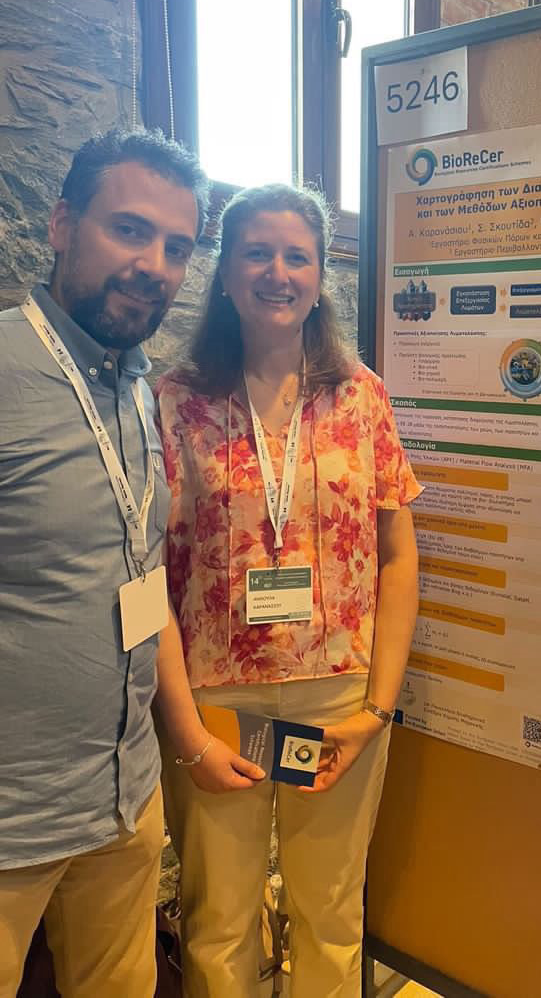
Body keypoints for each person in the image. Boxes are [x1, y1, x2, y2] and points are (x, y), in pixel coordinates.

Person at [0, 129, 261, 998]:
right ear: (62, 224)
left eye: (176, 247)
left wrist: (183, 742)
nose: (154, 264)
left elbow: (139, 585)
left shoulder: (136, 390)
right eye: (128, 230)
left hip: (122, 804)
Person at [155, 183, 421, 997]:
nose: (278, 272)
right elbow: (148, 574)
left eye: (296, 255)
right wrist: (183, 724)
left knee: (329, 911)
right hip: (215, 699)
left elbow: (397, 556)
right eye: (256, 254)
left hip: (334, 695)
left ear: (318, 274)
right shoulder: (175, 401)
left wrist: (376, 707)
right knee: (218, 919)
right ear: (226, 274)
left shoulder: (360, 395)